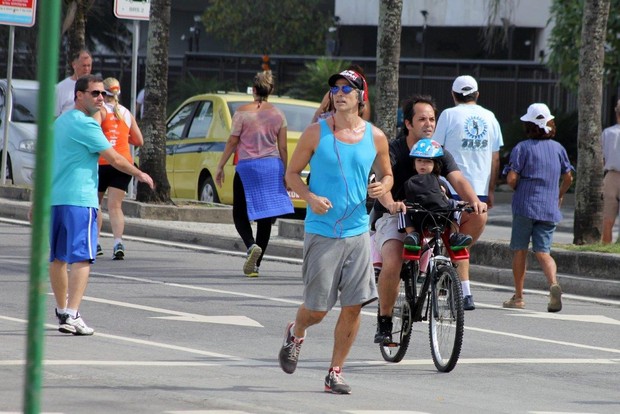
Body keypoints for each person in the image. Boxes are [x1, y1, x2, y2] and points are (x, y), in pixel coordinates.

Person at [278, 69, 392, 394]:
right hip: (322, 230)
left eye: (347, 88)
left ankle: (335, 372)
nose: (339, 93)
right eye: (335, 88)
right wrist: (310, 198)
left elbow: (387, 175)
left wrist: (381, 187)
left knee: (354, 305)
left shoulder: (376, 137)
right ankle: (297, 331)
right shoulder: (316, 133)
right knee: (316, 310)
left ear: (360, 97)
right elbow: (292, 174)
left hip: (358, 231)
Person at [373, 95, 486, 344]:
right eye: (422, 119)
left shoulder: (438, 151)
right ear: (408, 123)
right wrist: (391, 204)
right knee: (393, 257)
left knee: (479, 216)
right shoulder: (394, 150)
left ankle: (445, 262)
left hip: (432, 215)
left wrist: (475, 201)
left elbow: (458, 180)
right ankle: (385, 320)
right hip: (395, 215)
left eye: (432, 119)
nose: (429, 124)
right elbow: (383, 181)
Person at [49, 74, 154, 335]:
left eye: (103, 94)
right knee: (82, 258)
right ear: (79, 95)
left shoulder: (59, 123)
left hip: (57, 199)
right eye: (95, 93)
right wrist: (139, 173)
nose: (100, 98)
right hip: (80, 200)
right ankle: (72, 314)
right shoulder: (87, 125)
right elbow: (115, 159)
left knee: (59, 258)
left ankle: (62, 310)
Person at [432, 75, 503, 309]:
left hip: (449, 191)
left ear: (453, 95)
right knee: (462, 246)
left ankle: (452, 284)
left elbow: (435, 150)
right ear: (477, 95)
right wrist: (491, 190)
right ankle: (464, 292)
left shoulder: (449, 115)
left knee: (450, 242)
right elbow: (495, 158)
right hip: (478, 196)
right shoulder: (490, 117)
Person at [215, 71, 293, 277]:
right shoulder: (278, 114)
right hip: (272, 166)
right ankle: (256, 265)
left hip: (247, 166)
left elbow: (232, 142)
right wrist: (287, 172)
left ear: (254, 90)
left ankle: (250, 246)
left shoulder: (241, 112)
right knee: (265, 218)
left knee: (240, 213)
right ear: (271, 90)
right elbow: (283, 147)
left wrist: (220, 166)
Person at [502, 103, 573, 312]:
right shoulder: (559, 148)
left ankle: (519, 297)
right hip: (549, 208)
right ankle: (553, 283)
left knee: (520, 250)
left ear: (529, 125)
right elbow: (568, 177)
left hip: (525, 205)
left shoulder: (522, 148)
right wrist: (558, 195)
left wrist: (514, 183)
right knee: (543, 251)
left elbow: (512, 178)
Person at [95, 77, 144, 259]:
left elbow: (92, 133)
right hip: (124, 163)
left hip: (103, 162)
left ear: (103, 92)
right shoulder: (126, 112)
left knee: (95, 204)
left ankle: (96, 242)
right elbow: (139, 140)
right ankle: (118, 243)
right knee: (115, 206)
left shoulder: (100, 111)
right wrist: (123, 138)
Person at [399, 139, 472, 251]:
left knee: (455, 204)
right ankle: (412, 235)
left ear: (435, 165)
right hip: (419, 217)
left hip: (440, 216)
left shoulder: (440, 182)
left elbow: (448, 199)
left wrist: (458, 202)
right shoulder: (409, 182)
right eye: (419, 160)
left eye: (428, 162)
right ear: (414, 163)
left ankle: (454, 235)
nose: (423, 164)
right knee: (402, 207)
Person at [601, 99, 620, 244]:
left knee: (607, 219)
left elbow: (602, 157)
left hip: (611, 176)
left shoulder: (607, 133)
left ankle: (606, 246)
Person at [55, 49, 93, 117]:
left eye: (89, 65)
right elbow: (54, 116)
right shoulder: (61, 88)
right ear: (74, 65)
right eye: (83, 66)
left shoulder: (96, 87)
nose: (86, 69)